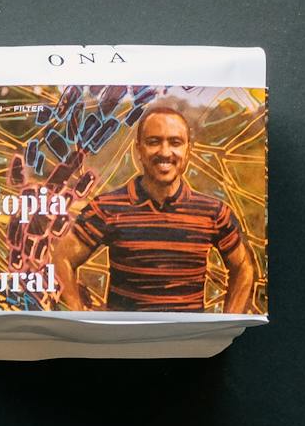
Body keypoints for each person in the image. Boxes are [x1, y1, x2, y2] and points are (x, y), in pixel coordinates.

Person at [52, 105, 258, 313]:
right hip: (124, 341)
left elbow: (243, 268)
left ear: (188, 150)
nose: (165, 152)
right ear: (139, 149)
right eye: (153, 142)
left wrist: (226, 322)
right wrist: (78, 318)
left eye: (175, 143)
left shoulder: (213, 213)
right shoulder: (107, 208)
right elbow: (62, 258)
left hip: (188, 341)